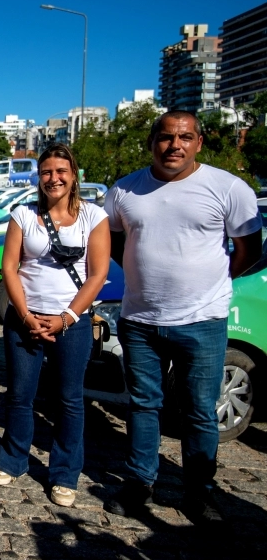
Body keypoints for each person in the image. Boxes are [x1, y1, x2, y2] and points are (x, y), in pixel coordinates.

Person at [102, 110, 261, 523]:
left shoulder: (228, 188)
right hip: (139, 320)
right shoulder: (124, 190)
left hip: (202, 321)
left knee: (198, 410)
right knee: (142, 405)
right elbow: (117, 244)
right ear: (152, 141)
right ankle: (139, 483)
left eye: (185, 137)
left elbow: (247, 251)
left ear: (199, 143)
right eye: (167, 137)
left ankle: (199, 492)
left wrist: (209, 283)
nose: (175, 145)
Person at [0, 144, 109, 507]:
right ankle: (13, 460)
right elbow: (9, 267)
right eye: (46, 172)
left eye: (61, 171)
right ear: (39, 177)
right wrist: (25, 316)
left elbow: (98, 274)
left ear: (74, 175)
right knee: (20, 395)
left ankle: (65, 474)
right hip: (25, 319)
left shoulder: (94, 217)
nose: (54, 178)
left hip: (72, 321)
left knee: (69, 399)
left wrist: (66, 317)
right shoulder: (23, 214)